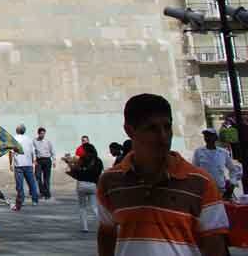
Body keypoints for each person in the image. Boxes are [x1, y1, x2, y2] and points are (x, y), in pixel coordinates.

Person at [97, 93, 228, 256]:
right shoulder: (110, 182)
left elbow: (215, 244)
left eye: (167, 127)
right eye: (152, 128)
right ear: (129, 130)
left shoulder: (201, 183)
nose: (163, 137)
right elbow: (106, 233)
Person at [63, 141, 103, 232]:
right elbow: (100, 172)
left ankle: (84, 227)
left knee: (82, 207)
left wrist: (68, 162)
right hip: (93, 185)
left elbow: (74, 169)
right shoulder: (98, 160)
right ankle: (103, 224)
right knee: (94, 207)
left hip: (81, 184)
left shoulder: (82, 159)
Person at [193, 127, 235, 199]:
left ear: (215, 137)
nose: (207, 138)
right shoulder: (199, 151)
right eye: (205, 136)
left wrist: (232, 182)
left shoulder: (223, 152)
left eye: (210, 135)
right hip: (205, 190)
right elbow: (194, 170)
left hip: (221, 190)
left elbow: (233, 169)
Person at [9, 124, 39, 209]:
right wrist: (34, 161)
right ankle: (35, 200)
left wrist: (10, 164)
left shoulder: (14, 139)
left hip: (18, 165)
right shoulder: (29, 139)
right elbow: (33, 151)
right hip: (28, 164)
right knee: (32, 183)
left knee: (19, 184)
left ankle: (21, 200)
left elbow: (11, 152)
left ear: (16, 130)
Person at [31, 127, 55, 199]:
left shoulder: (47, 141)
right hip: (39, 160)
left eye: (44, 134)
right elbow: (33, 151)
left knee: (46, 178)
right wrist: (34, 160)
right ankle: (42, 191)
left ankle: (47, 194)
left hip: (47, 160)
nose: (42, 135)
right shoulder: (34, 141)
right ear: (38, 133)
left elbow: (52, 151)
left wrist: (54, 160)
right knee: (37, 176)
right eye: (41, 133)